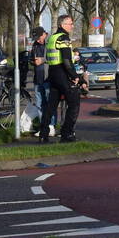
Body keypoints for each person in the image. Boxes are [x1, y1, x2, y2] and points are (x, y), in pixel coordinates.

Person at [39, 15, 86, 143]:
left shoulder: (52, 38)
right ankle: (67, 134)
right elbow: (66, 61)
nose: (72, 26)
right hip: (61, 73)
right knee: (74, 103)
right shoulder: (63, 38)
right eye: (70, 24)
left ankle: (43, 134)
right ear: (62, 25)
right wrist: (76, 77)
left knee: (51, 106)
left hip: (53, 74)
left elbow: (50, 58)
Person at [30, 27, 56, 137]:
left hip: (48, 78)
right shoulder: (35, 45)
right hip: (38, 78)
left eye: (38, 37)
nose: (37, 40)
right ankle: (43, 126)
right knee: (40, 104)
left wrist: (43, 60)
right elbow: (32, 58)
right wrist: (32, 61)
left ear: (44, 34)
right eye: (35, 38)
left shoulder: (50, 43)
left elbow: (55, 58)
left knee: (50, 103)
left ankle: (51, 126)